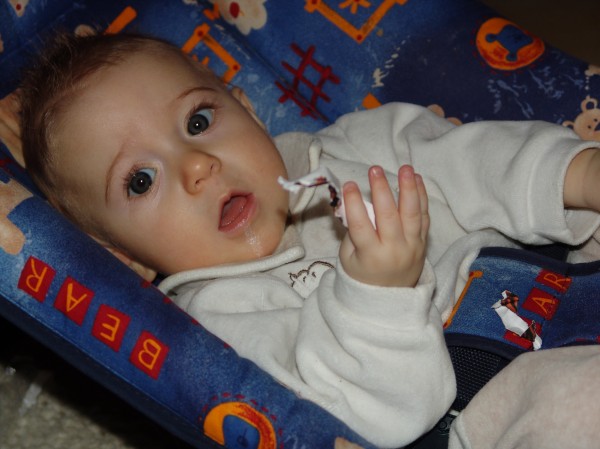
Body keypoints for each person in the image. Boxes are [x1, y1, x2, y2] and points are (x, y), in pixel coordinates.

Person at [18, 32, 600, 449]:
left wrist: (576, 177)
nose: (196, 165)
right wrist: (378, 294)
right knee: (574, 402)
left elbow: (476, 161)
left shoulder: (357, 145)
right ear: (122, 257)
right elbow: (357, 419)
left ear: (247, 111)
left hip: (564, 275)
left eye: (198, 122)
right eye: (141, 181)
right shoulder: (218, 328)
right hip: (485, 406)